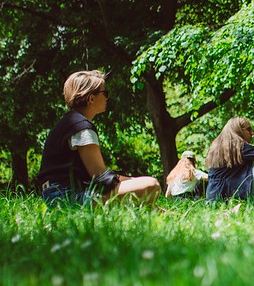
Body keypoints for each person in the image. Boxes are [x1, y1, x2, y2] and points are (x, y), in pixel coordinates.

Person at [37, 70, 161, 208]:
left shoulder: (68, 123)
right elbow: (100, 178)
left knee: (138, 188)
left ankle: (161, 213)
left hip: (55, 195)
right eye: (105, 93)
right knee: (151, 185)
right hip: (68, 197)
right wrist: (132, 181)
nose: (107, 98)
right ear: (91, 99)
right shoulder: (82, 128)